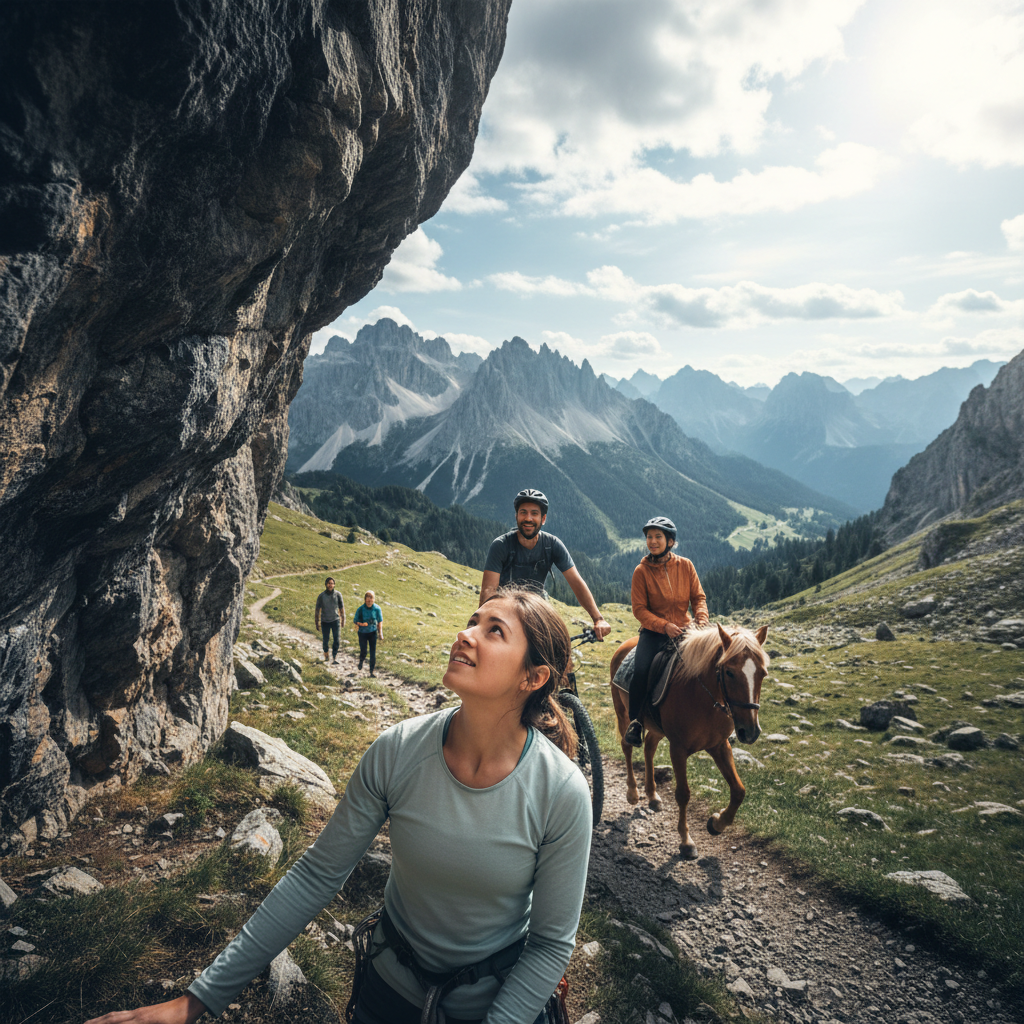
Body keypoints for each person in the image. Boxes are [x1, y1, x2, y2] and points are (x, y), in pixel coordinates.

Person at [84, 586, 592, 1024]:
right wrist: (196, 1002)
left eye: (494, 630)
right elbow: (316, 875)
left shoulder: (561, 792)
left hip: (493, 1005)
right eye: (471, 621)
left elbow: (549, 945)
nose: (467, 633)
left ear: (534, 678)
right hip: (385, 991)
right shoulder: (397, 750)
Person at [480, 488, 610, 641]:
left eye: (534, 513)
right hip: (504, 608)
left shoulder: (552, 544)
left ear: (543, 519)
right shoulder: (501, 545)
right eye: (523, 512)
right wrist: (483, 625)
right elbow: (489, 590)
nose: (528, 518)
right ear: (516, 516)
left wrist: (598, 619)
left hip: (537, 608)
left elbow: (576, 581)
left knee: (557, 648)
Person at [623, 516, 709, 747]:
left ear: (670, 541)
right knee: (640, 670)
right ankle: (636, 723)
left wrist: (701, 619)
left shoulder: (686, 566)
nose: (652, 541)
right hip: (654, 633)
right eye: (649, 537)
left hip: (687, 629)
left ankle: (721, 713)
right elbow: (639, 610)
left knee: (714, 664)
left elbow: (698, 598)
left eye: (658, 537)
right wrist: (663, 626)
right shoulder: (641, 572)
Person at [315, 576, 345, 663]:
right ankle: (326, 655)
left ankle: (335, 657)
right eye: (329, 583)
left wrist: (343, 619)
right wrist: (317, 622)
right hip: (325, 621)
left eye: (332, 583)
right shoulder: (321, 596)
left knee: (337, 640)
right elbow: (317, 610)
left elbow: (341, 608)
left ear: (334, 585)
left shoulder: (338, 595)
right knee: (325, 640)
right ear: (326, 585)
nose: (330, 585)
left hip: (335, 620)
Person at [353, 589, 383, 675]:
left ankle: (371, 672)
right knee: (364, 651)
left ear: (374, 599)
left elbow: (380, 621)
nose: (369, 599)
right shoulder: (360, 609)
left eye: (371, 597)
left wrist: (380, 633)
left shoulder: (377, 609)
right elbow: (355, 620)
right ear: (365, 599)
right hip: (362, 633)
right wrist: (361, 624)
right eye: (368, 597)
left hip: (373, 632)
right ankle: (361, 661)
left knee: (373, 652)